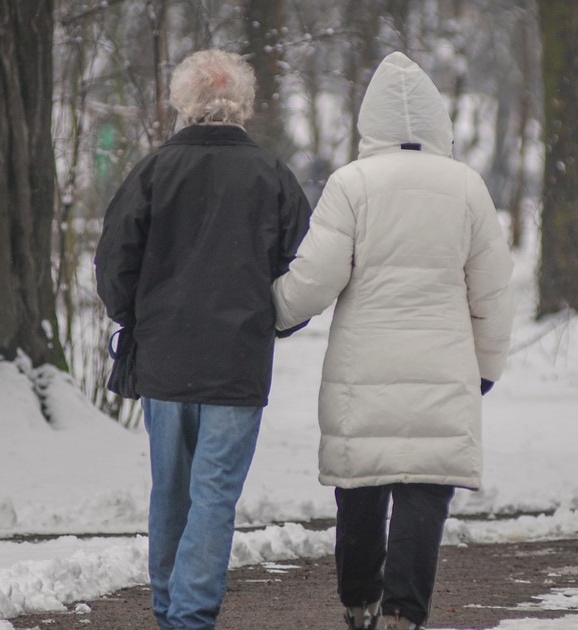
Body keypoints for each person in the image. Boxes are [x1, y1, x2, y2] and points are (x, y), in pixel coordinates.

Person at [272, 52, 514, 630]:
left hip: (365, 366)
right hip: (442, 362)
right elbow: (493, 290)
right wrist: (487, 367)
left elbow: (317, 275)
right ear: (438, 121)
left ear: (370, 122)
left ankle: (359, 601)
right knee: (425, 488)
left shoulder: (352, 184)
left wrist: (274, 312)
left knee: (361, 482)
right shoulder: (466, 188)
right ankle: (406, 611)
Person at [94, 49, 312, 630]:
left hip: (165, 357)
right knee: (213, 495)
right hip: (237, 363)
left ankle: (172, 610)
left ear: (182, 103)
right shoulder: (273, 177)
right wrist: (277, 320)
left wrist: (135, 318)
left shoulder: (152, 171)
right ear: (244, 105)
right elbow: (302, 268)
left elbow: (115, 261)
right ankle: (189, 616)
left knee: (170, 491)